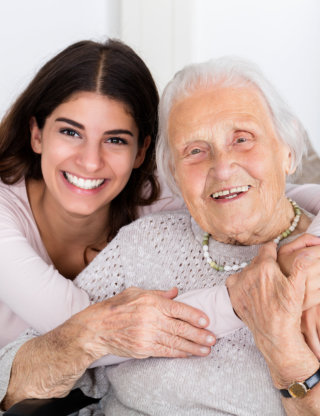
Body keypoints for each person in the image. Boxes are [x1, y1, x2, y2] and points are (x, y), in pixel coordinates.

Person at [2, 57, 320, 415]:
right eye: (195, 151)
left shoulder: (312, 266)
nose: (222, 167)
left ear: (288, 152)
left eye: (242, 139)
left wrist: (285, 349)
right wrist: (86, 338)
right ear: (173, 173)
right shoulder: (142, 242)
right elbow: (13, 374)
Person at [0, 38, 219, 356]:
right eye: (71, 132)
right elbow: (86, 335)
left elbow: (285, 198)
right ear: (36, 134)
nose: (90, 161)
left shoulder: (155, 196)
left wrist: (311, 261)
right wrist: (245, 300)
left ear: (141, 151)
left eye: (115, 140)